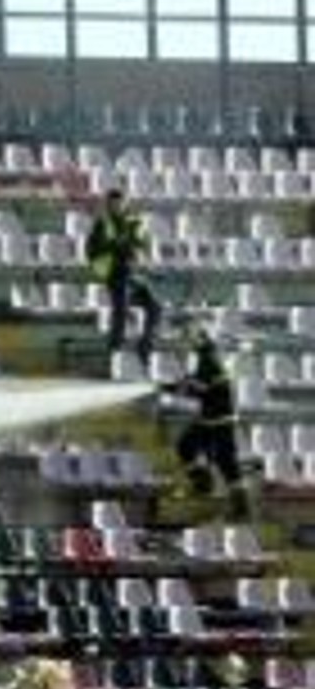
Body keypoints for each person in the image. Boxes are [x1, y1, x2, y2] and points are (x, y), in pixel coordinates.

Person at [163, 327, 247, 519]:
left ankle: (240, 506)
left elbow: (198, 389)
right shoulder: (207, 359)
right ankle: (203, 483)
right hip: (210, 419)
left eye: (192, 341)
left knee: (226, 463)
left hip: (220, 421)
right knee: (186, 446)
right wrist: (177, 386)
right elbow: (197, 385)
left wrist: (171, 388)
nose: (189, 345)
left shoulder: (210, 360)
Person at [87, 189, 161, 362]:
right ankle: (115, 349)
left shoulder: (131, 222)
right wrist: (118, 244)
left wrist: (139, 240)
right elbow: (94, 250)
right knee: (120, 310)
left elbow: (140, 244)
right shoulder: (102, 224)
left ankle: (146, 343)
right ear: (108, 205)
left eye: (120, 203)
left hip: (131, 274)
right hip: (114, 273)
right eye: (113, 203)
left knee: (154, 307)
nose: (117, 206)